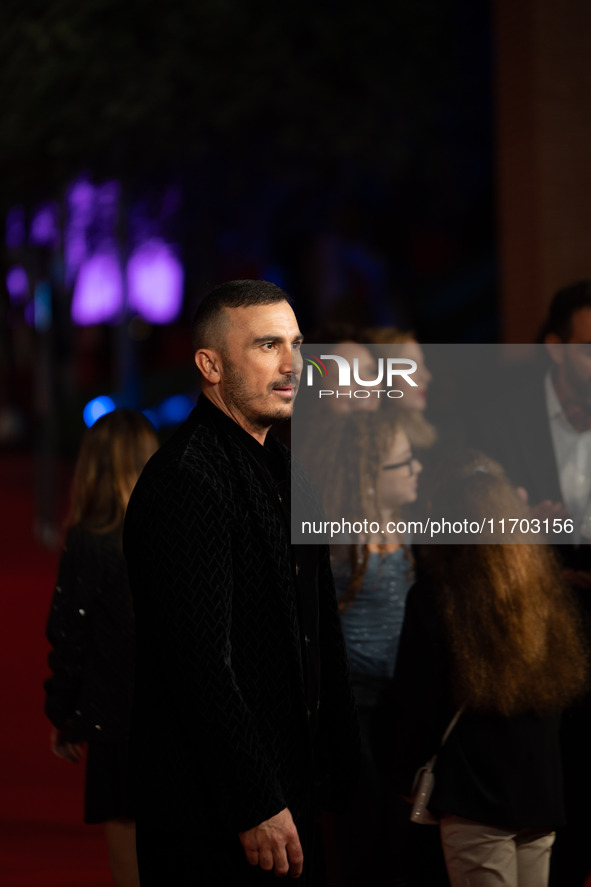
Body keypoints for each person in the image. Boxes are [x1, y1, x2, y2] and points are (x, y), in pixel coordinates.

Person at [122, 280, 359, 886]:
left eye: (297, 344)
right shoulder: (187, 479)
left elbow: (315, 628)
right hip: (214, 818)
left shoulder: (285, 467)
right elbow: (197, 665)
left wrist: (344, 774)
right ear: (211, 364)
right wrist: (255, 801)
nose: (292, 364)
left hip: (291, 795)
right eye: (267, 345)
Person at [388, 452, 589, 887]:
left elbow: (417, 703)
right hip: (542, 793)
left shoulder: (434, 597)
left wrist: (403, 773)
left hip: (476, 796)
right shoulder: (546, 592)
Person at [303, 410, 422, 885]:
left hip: (401, 698)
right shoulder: (336, 540)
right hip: (353, 700)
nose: (417, 470)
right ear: (370, 473)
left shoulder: (411, 528)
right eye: (405, 464)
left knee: (397, 828)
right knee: (362, 824)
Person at [44, 408, 159, 887]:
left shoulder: (91, 542)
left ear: (92, 466)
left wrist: (64, 713)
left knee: (128, 829)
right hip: (181, 709)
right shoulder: (177, 531)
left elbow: (71, 632)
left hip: (117, 717)